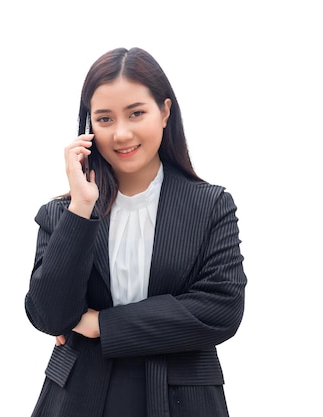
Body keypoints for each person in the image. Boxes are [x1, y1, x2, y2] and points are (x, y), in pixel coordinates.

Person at [24, 47, 247, 417]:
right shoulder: (62, 213)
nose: (121, 133)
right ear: (88, 128)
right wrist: (81, 209)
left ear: (164, 111)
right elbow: (49, 316)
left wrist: (101, 326)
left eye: (136, 113)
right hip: (77, 398)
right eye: (105, 119)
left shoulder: (210, 206)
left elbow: (221, 310)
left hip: (183, 400)